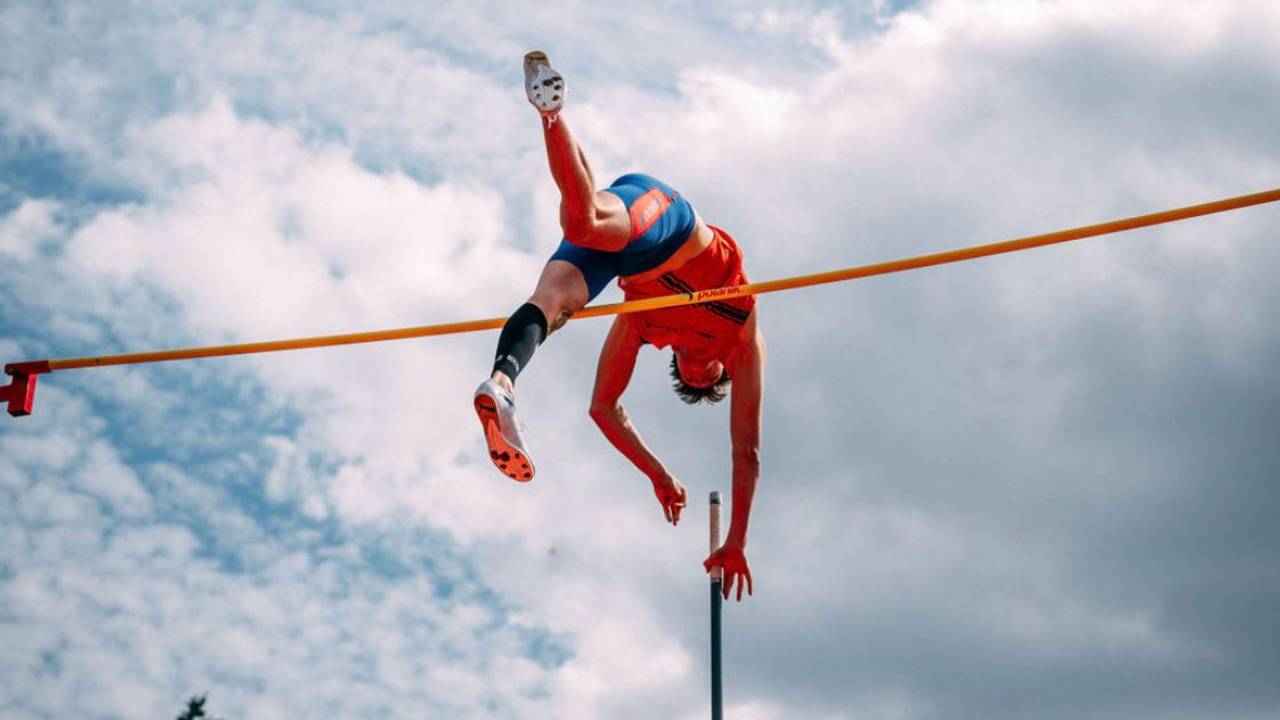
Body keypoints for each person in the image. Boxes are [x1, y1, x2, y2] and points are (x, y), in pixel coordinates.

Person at [474, 52, 762, 601]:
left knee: (552, 302)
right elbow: (747, 450)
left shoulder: (645, 329)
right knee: (586, 220)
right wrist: (737, 539)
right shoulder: (741, 334)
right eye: (709, 375)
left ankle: (503, 385)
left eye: (691, 377)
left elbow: (604, 408)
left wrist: (655, 472)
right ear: (722, 369)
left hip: (625, 262)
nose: (699, 368)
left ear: (675, 363)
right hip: (670, 227)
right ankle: (551, 113)